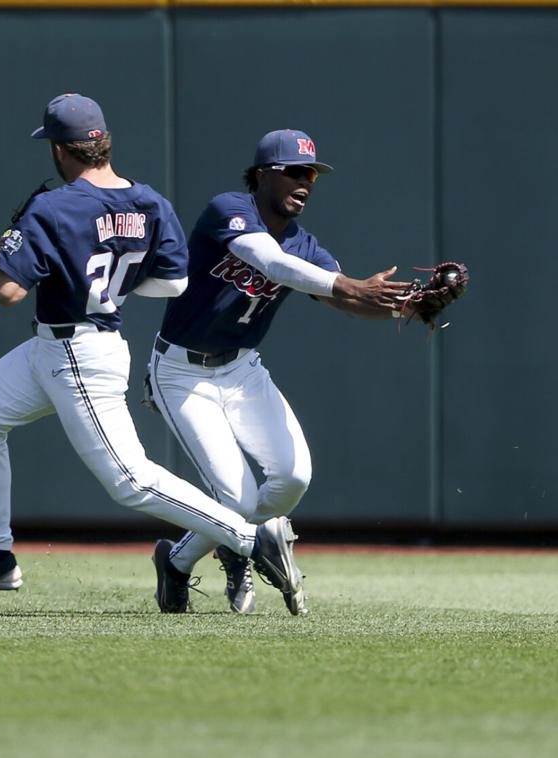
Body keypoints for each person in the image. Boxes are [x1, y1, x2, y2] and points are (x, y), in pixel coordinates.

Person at [0, 95, 304, 613]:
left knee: (130, 480)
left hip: (77, 353)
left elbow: (5, 291)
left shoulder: (54, 206)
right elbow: (172, 284)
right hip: (64, 345)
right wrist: (102, 281)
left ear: (61, 150)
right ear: (103, 142)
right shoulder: (148, 202)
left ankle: (248, 538)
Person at [145, 129, 410, 614]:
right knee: (240, 500)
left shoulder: (304, 244)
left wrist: (407, 307)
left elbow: (349, 302)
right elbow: (270, 262)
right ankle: (238, 542)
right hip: (182, 373)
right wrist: (350, 283)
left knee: (292, 477)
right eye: (294, 171)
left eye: (311, 174)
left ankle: (179, 561)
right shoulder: (229, 208)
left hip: (242, 370)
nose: (305, 182)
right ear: (264, 173)